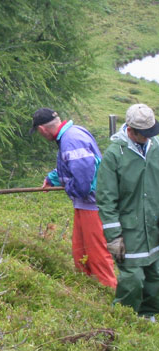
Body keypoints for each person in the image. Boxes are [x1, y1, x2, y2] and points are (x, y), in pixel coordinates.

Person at [30, 107, 117, 288]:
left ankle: (112, 300)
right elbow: (69, 166)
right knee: (81, 253)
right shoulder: (70, 136)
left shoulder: (72, 140)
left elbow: (83, 183)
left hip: (93, 205)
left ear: (42, 129)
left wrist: (69, 187)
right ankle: (87, 292)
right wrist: (52, 179)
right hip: (84, 205)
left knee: (97, 256)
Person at [97, 103, 159, 320]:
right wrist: (114, 236)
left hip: (154, 226)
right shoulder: (115, 154)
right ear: (131, 130)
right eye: (144, 134)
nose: (149, 137)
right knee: (132, 279)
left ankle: (147, 315)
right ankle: (123, 320)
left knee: (155, 276)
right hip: (129, 231)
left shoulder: (156, 146)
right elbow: (106, 198)